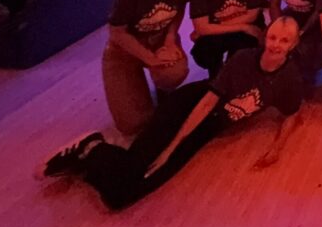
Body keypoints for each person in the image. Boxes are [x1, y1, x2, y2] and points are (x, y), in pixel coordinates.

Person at [38, 17, 305, 211]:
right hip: (187, 106)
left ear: (294, 44)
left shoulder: (289, 78)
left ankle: (89, 157)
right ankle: (91, 146)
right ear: (265, 36)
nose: (276, 45)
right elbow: (205, 104)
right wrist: (172, 147)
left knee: (121, 197)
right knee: (138, 164)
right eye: (272, 37)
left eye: (284, 40)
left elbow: (292, 114)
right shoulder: (244, 59)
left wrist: (277, 149)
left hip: (205, 129)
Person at [103, 0, 193, 135]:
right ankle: (138, 86)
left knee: (172, 75)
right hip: (124, 49)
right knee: (132, 125)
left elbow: (178, 8)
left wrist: (170, 40)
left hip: (160, 39)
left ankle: (163, 90)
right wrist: (150, 59)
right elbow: (117, 32)